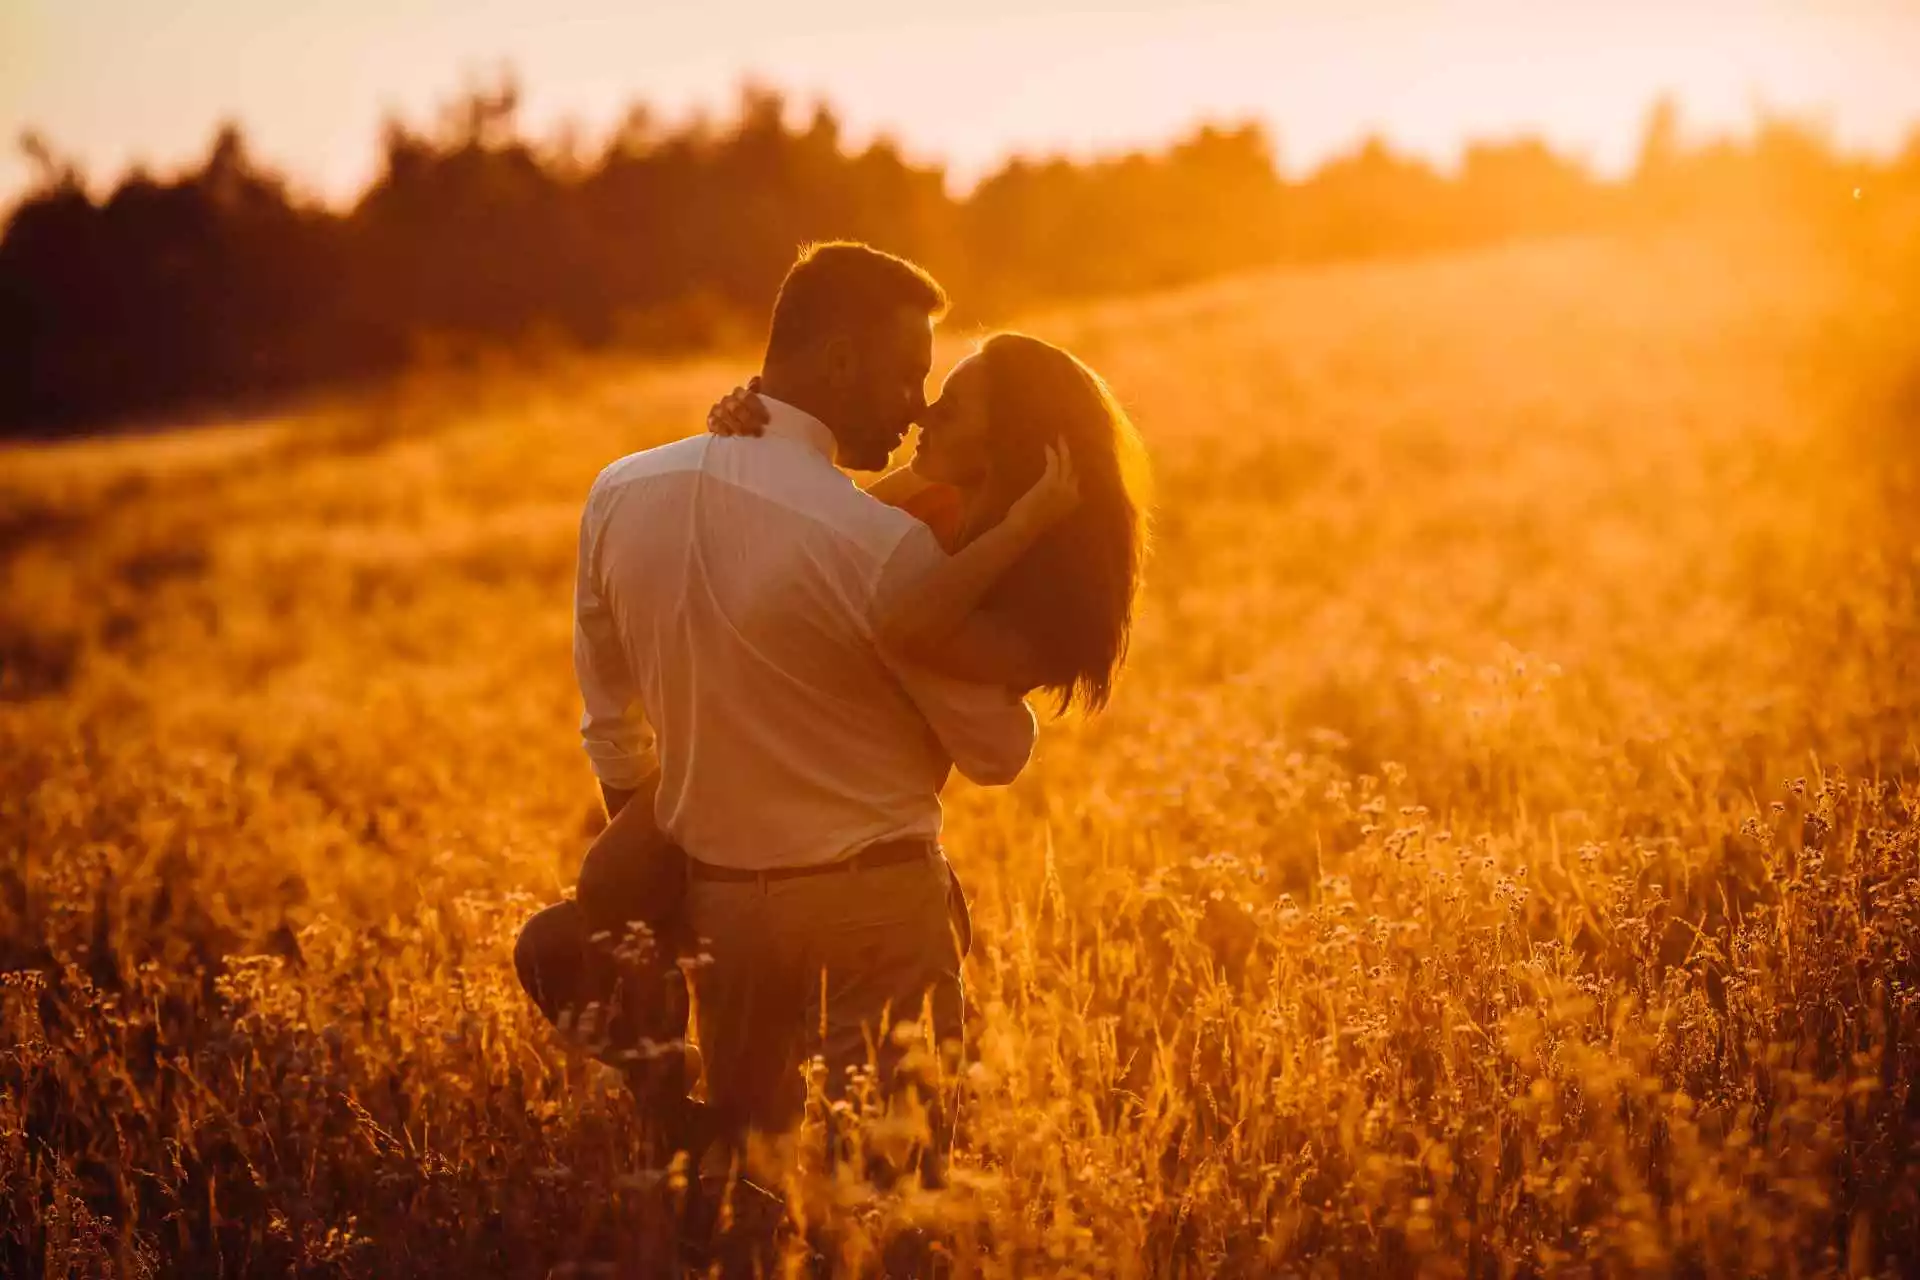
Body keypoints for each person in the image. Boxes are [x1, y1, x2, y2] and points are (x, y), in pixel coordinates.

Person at [516, 242, 1127, 1190]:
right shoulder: (875, 540)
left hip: (723, 907)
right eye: (908, 375)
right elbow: (993, 746)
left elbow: (610, 723)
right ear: (841, 362)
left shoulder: (620, 492)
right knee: (894, 1201)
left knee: (749, 1192)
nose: (919, 405)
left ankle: (673, 1109)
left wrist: (679, 848)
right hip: (872, 902)